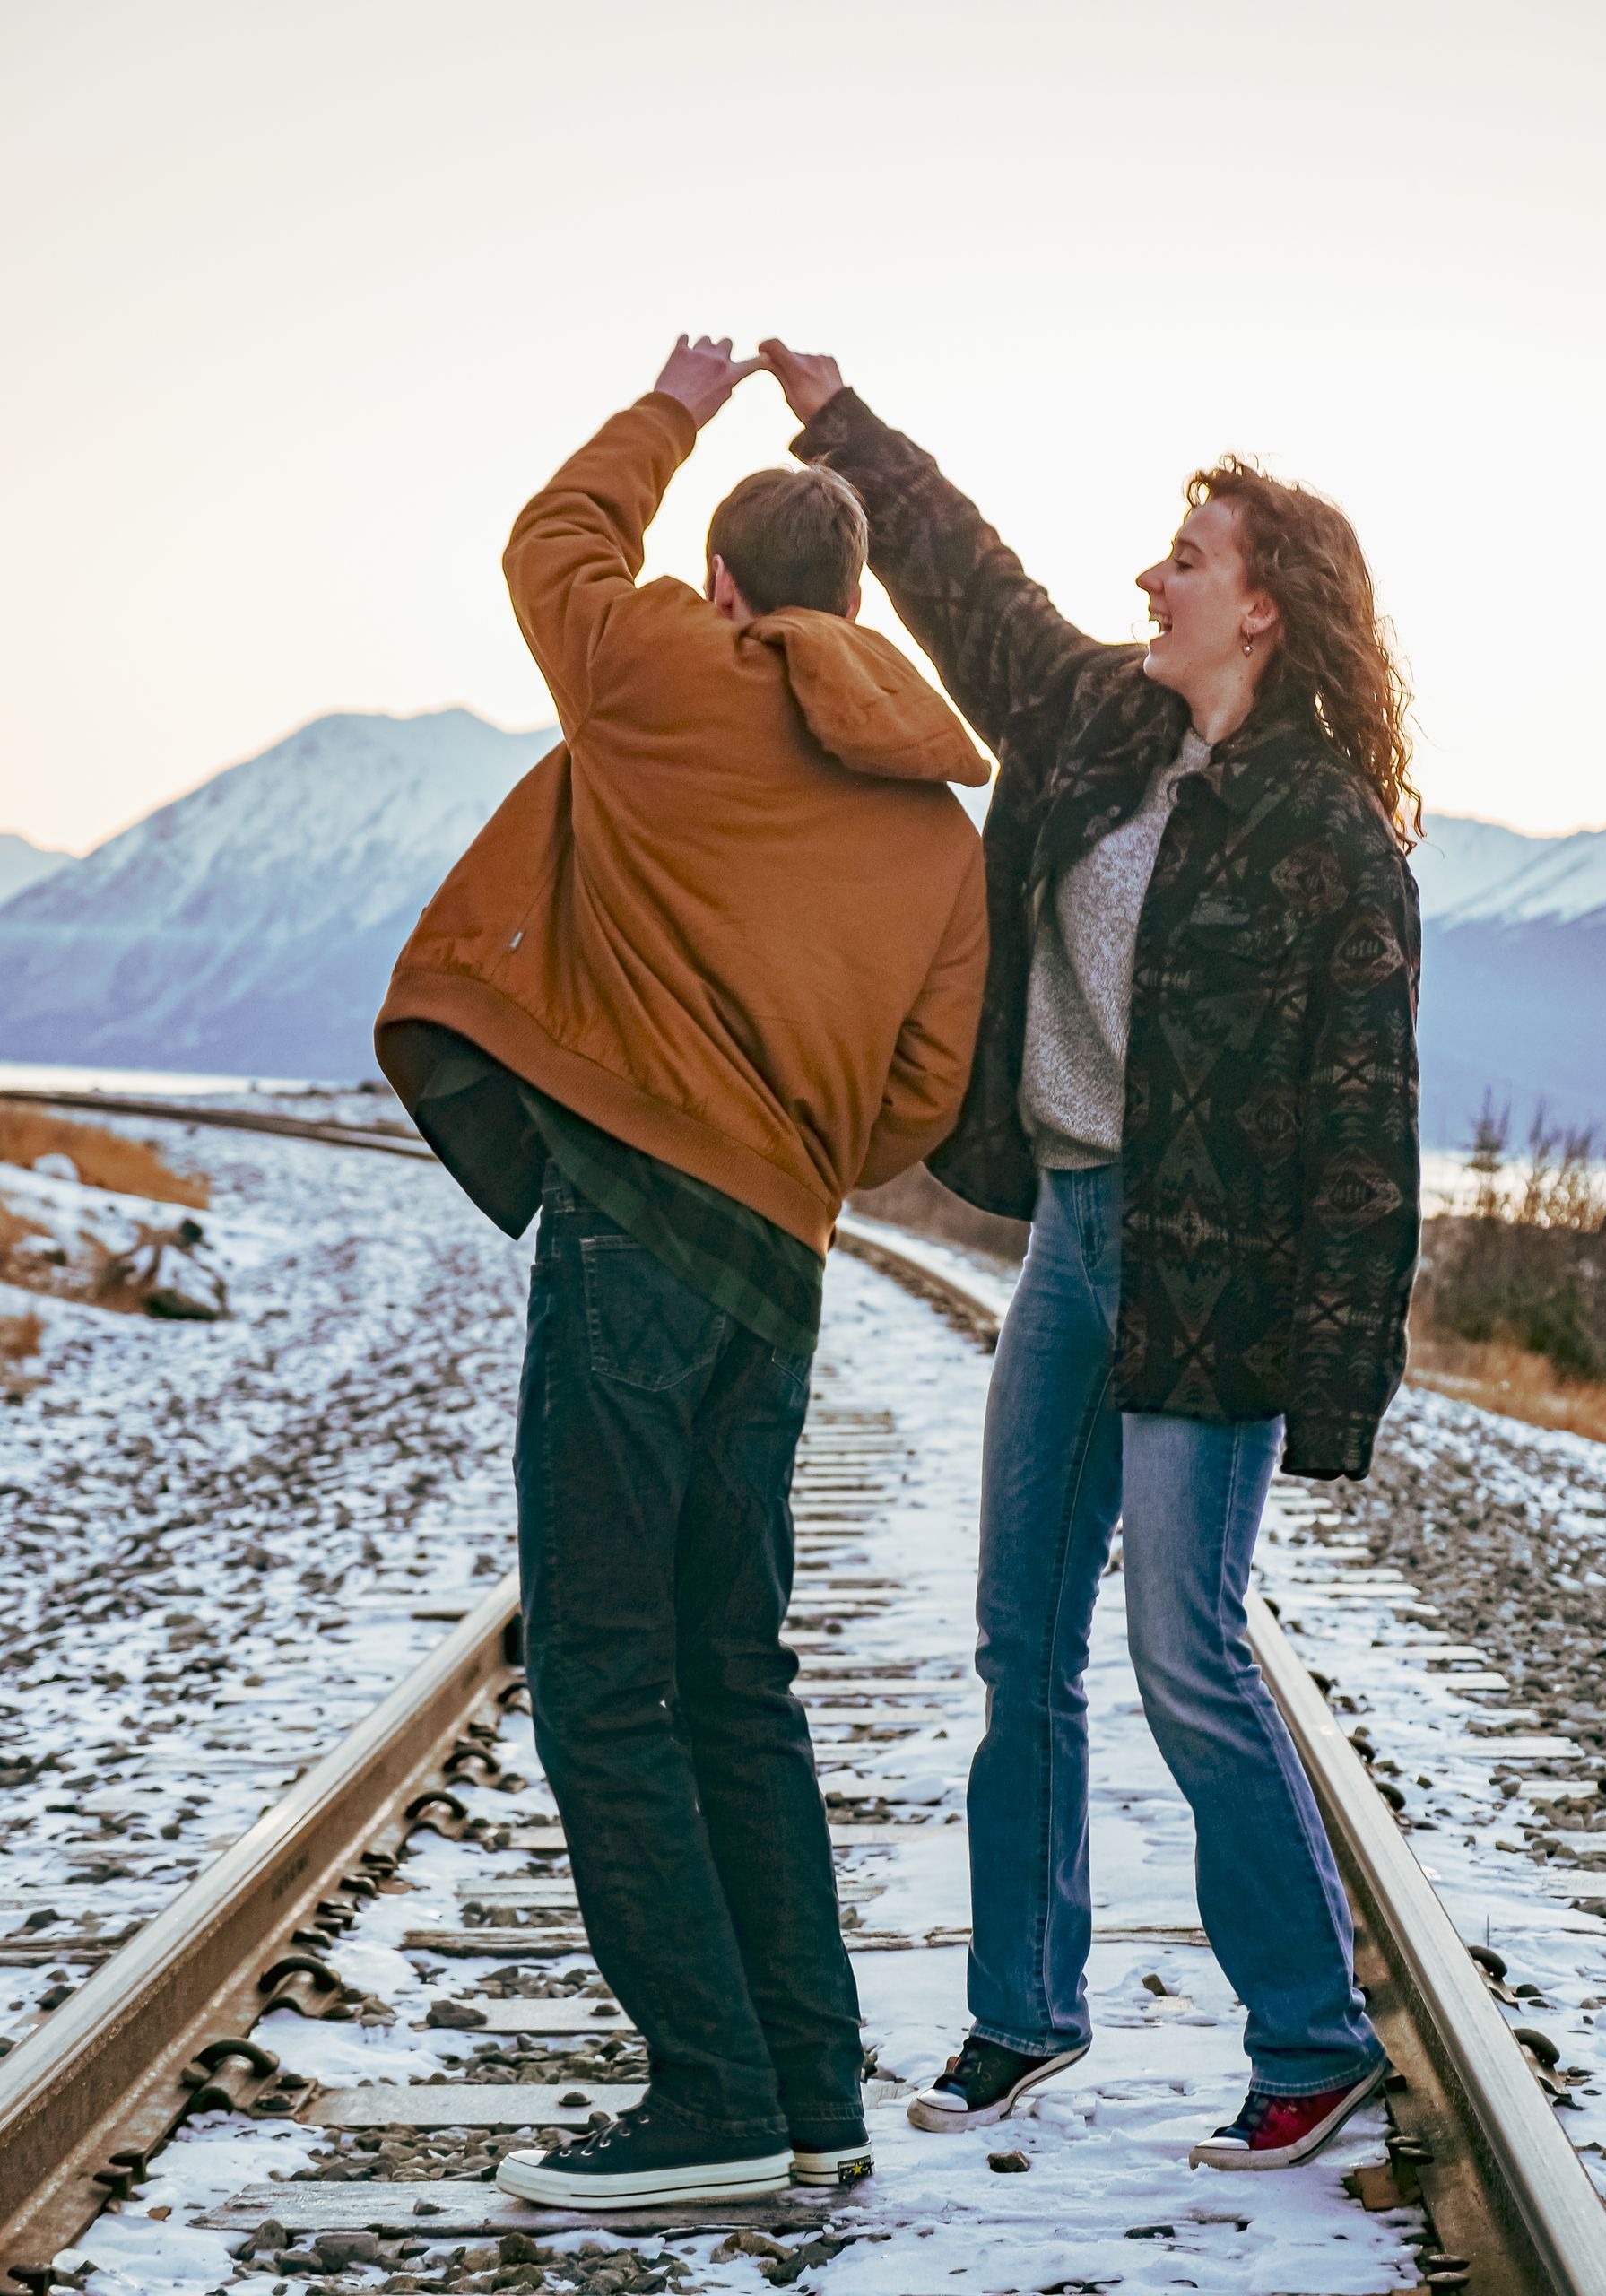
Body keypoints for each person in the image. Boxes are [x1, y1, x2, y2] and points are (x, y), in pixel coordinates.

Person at [758, 341, 1421, 2171]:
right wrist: (834, 419)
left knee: (1184, 1652)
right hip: (1072, 1230)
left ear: (1266, 609)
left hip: (1214, 1280)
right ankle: (1021, 2009)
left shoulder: (1332, 843)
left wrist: (1335, 1385)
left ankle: (1309, 2033)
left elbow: (1363, 1138)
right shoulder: (1096, 727)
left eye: (1187, 556)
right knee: (1015, 1639)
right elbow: (966, 576)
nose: (1151, 576)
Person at [374, 336, 989, 2207]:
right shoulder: (937, 824)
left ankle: (711, 2096)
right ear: (854, 602)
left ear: (724, 587)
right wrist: (787, 1133)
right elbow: (922, 1095)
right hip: (781, 1268)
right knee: (741, 1680)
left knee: (604, 1682)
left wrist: (676, 400)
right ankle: (812, 2094)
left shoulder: (653, 672)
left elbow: (554, 537)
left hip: (633, 1235)